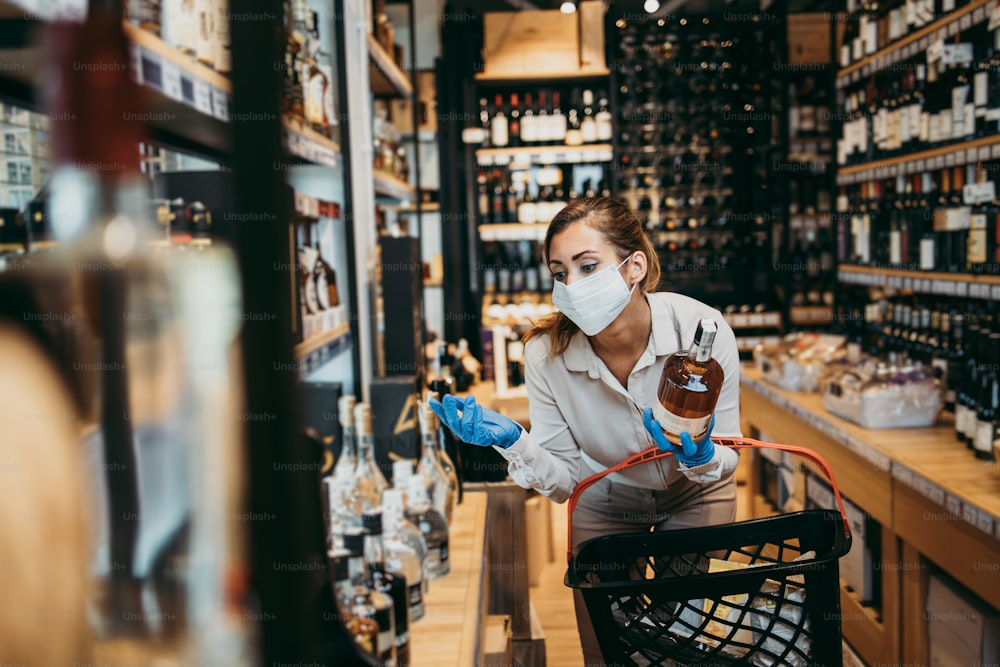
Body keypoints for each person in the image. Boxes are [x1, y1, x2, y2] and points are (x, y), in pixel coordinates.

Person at [430, 196, 741, 666]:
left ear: (634, 267)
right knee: (608, 646)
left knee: (685, 638)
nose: (571, 285)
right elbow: (564, 482)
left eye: (587, 265)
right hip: (605, 494)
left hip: (695, 492)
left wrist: (702, 457)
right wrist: (514, 441)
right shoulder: (544, 355)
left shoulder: (701, 332)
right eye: (560, 272)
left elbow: (731, 450)